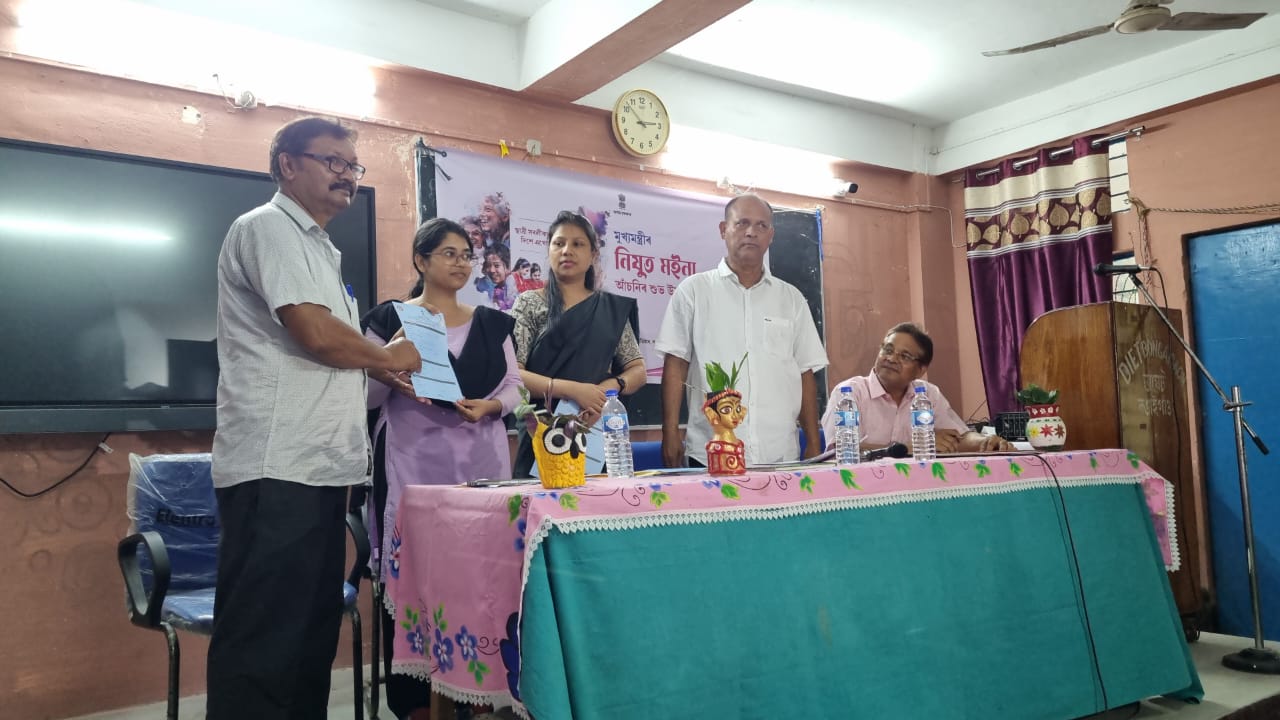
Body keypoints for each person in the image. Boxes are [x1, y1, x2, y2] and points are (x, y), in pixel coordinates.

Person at [208, 116, 421, 719]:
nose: (347, 175)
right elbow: (314, 332)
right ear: (287, 165)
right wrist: (387, 356)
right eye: (333, 162)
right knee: (264, 643)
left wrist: (380, 371)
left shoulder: (321, 249)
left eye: (352, 166)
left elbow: (333, 348)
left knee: (307, 638)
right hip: (276, 465)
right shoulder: (267, 226)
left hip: (322, 467)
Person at [362, 218, 521, 720]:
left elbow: (514, 386)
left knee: (481, 578)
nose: (460, 263)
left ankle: (481, 692)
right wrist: (389, 362)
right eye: (448, 253)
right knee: (414, 581)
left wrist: (492, 407)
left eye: (466, 255)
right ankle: (415, 703)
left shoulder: (493, 323)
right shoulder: (389, 319)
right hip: (412, 469)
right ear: (421, 260)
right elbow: (365, 396)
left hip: (482, 467)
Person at [656, 193, 828, 468]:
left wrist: (814, 443)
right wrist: (670, 432)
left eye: (761, 225)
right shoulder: (694, 291)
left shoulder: (791, 299)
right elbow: (675, 364)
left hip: (780, 454)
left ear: (771, 236)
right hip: (712, 454)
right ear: (723, 229)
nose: (751, 232)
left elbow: (804, 372)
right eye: (742, 223)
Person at [510, 210, 647, 477]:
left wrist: (608, 390)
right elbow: (513, 374)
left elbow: (638, 370)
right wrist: (572, 390)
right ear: (549, 250)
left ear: (594, 254)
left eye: (577, 244)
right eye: (559, 243)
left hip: (596, 429)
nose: (567, 251)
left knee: (596, 501)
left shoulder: (610, 310)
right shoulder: (529, 303)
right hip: (541, 432)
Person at [820, 322, 1013, 454]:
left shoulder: (927, 394)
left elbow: (958, 437)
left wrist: (985, 442)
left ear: (921, 370)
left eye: (904, 356)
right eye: (887, 350)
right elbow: (840, 450)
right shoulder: (849, 393)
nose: (891, 359)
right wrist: (910, 447)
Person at [482, 244, 518, 311]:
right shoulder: (498, 287)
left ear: (508, 266)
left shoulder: (513, 285)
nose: (492, 270)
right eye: (488, 265)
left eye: (497, 266)